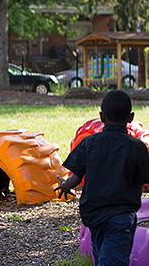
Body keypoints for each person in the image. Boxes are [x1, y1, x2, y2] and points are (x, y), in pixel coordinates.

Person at [55, 90, 149, 266]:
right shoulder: (137, 148)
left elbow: (75, 178)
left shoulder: (88, 143)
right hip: (121, 216)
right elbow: (144, 180)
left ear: (102, 117)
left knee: (101, 257)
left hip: (93, 215)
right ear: (131, 117)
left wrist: (65, 186)